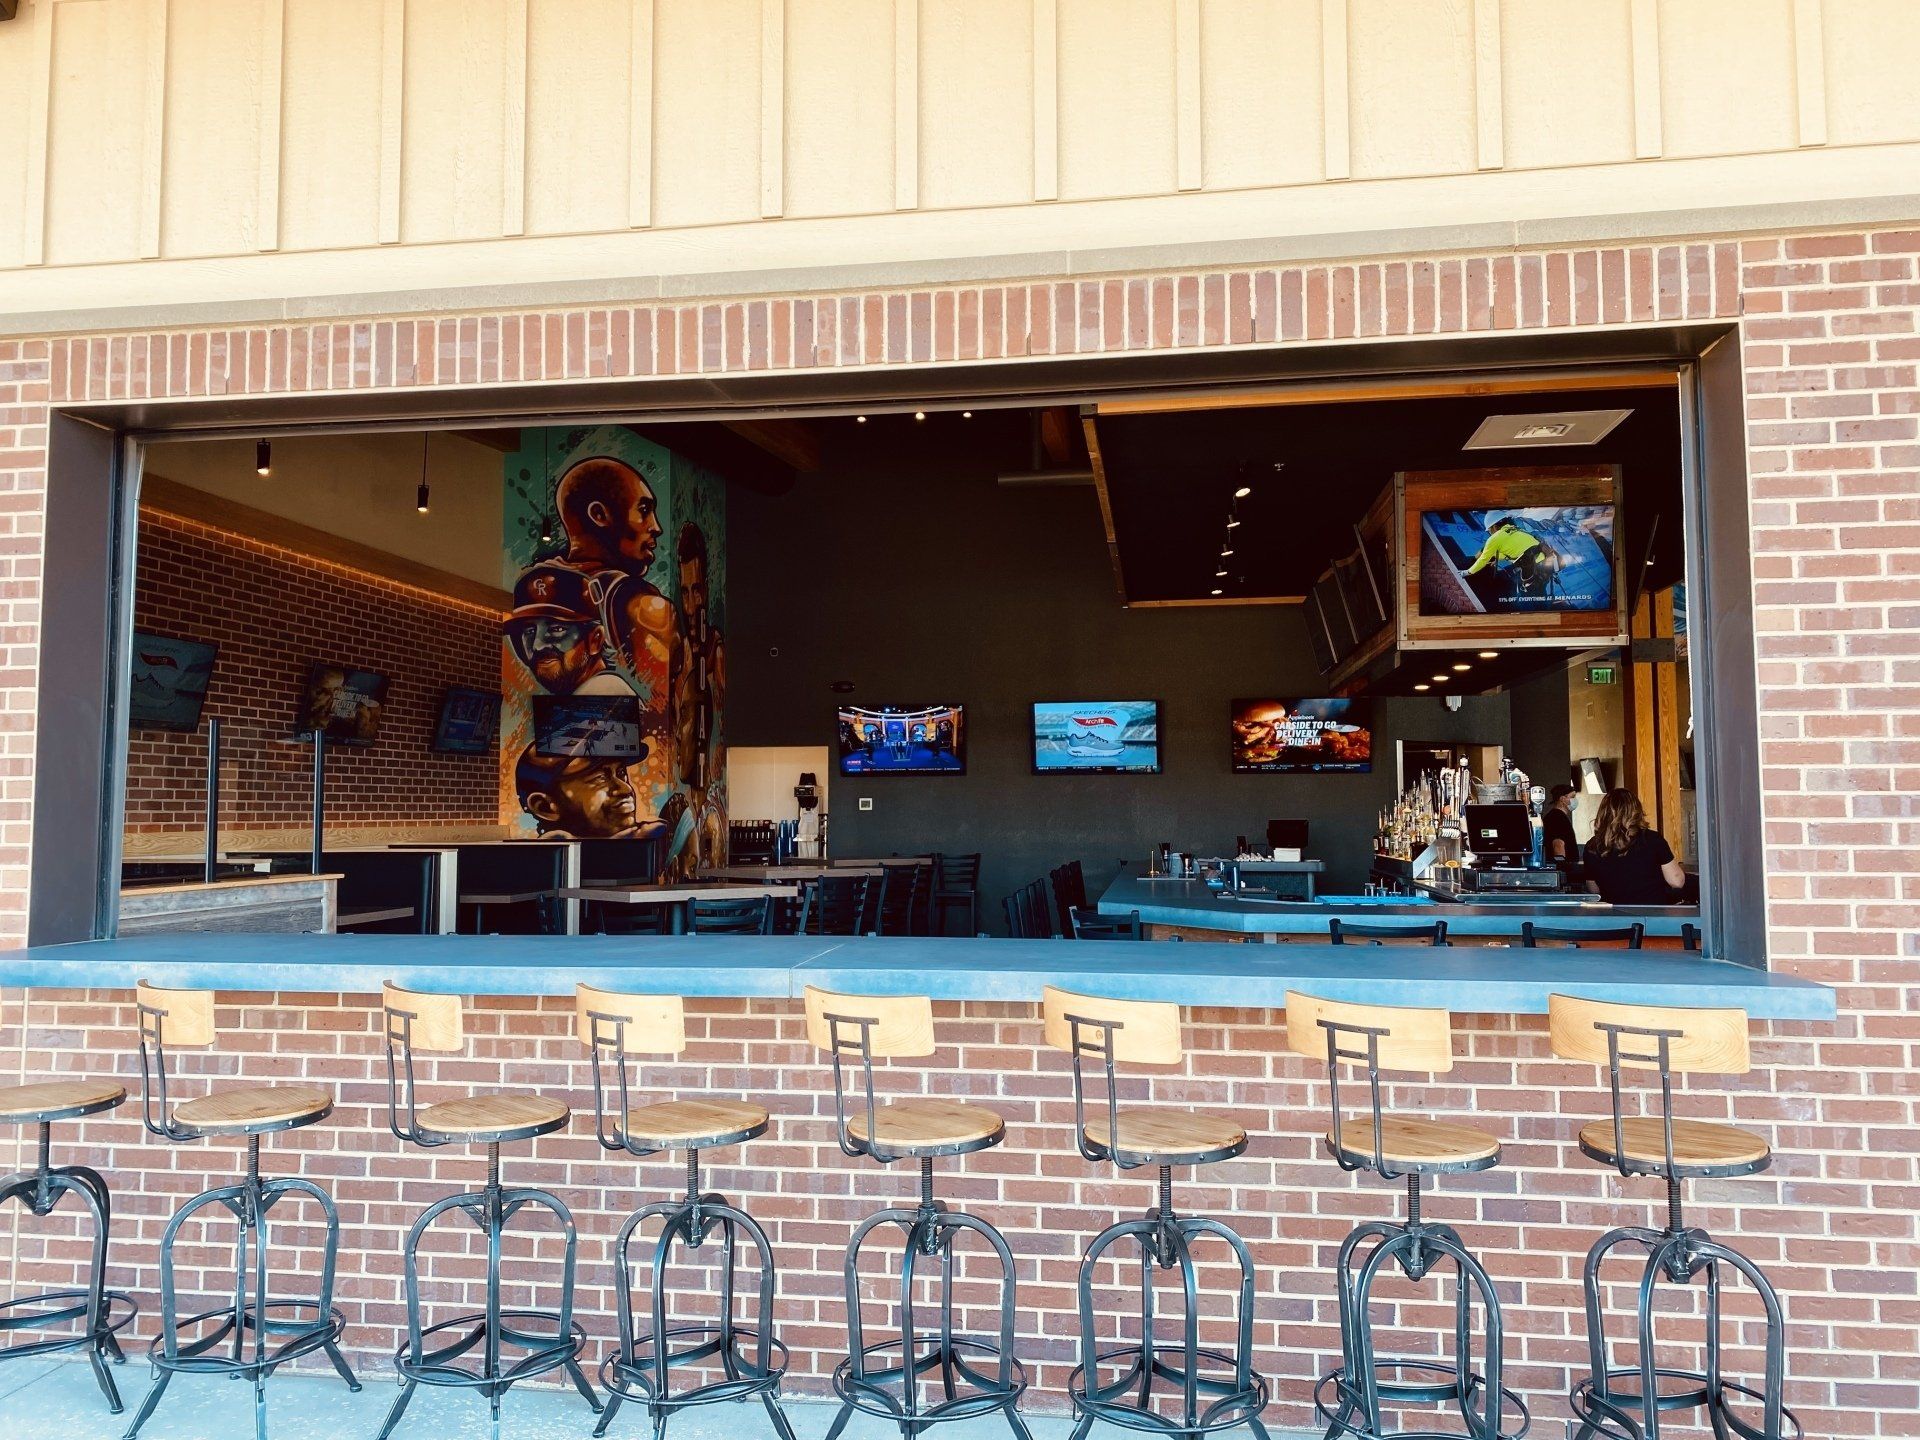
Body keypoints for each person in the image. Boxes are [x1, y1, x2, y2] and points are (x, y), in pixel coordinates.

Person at [504, 562, 628, 696]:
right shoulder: (583, 694)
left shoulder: (604, 690)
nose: (537, 646)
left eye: (557, 629)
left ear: (595, 640)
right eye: (529, 631)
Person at [1581, 788, 1687, 905]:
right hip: (1652, 915)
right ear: (1636, 811)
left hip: (1614, 916)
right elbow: (1677, 880)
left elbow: (1593, 890)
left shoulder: (1592, 846)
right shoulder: (1652, 839)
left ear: (1604, 813)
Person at [1463, 514, 1545, 592]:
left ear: (1494, 527)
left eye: (1489, 530)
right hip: (1541, 559)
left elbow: (1482, 558)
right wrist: (1497, 558)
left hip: (1529, 567)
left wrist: (1468, 571)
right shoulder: (1516, 529)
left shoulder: (1494, 538)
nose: (1490, 533)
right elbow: (1511, 550)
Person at [1543, 782, 1580, 876]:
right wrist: (1562, 873)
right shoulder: (1557, 818)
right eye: (1572, 797)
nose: (1575, 800)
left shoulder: (1556, 816)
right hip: (1563, 873)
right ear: (1562, 799)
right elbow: (1558, 845)